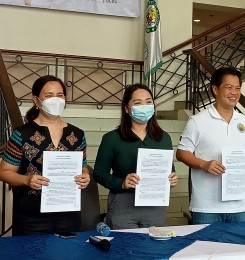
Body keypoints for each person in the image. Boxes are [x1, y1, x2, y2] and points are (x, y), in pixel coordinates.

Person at [0, 75, 90, 236]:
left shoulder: (77, 135)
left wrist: (85, 175)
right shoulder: (22, 134)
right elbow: (4, 172)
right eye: (49, 96)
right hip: (31, 217)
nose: (55, 100)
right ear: (36, 100)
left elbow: (83, 167)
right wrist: (26, 179)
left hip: (68, 214)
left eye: (60, 95)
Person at [176, 66, 245, 224]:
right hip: (207, 207)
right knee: (205, 248)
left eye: (237, 88)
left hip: (238, 205)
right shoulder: (198, 121)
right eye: (229, 87)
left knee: (237, 248)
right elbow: (181, 153)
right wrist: (204, 164)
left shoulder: (243, 121)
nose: (234, 93)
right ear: (215, 89)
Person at [93, 84, 178, 229]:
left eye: (148, 102)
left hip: (154, 205)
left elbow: (169, 168)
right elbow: (99, 173)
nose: (144, 106)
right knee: (124, 248)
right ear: (127, 108)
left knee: (153, 248)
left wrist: (172, 178)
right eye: (138, 103)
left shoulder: (164, 138)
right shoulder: (112, 138)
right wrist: (121, 182)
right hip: (123, 204)